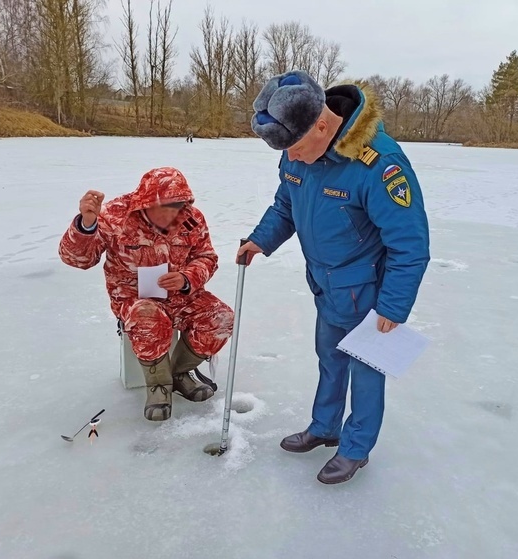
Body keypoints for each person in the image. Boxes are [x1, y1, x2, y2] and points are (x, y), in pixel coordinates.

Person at [237, 70, 430, 484]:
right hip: (327, 287)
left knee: (365, 374)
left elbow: (410, 245)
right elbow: (285, 206)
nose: (291, 158)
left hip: (370, 295)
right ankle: (325, 427)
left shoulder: (379, 164)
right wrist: (260, 240)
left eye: (299, 149)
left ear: (323, 125)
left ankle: (356, 448)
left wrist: (393, 307)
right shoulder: (297, 150)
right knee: (329, 360)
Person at [59, 167, 234, 421]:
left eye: (177, 207)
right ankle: (159, 385)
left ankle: (179, 374)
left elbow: (207, 257)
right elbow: (78, 260)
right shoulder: (115, 216)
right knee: (147, 316)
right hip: (134, 298)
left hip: (181, 296)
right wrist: (86, 225)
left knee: (220, 318)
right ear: (145, 203)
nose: (171, 215)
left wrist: (187, 278)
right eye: (165, 207)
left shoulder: (191, 219)